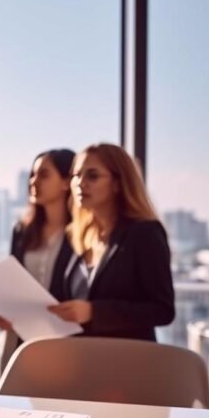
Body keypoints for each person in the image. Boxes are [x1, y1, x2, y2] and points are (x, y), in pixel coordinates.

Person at [47, 143, 174, 341]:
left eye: (92, 175)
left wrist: (94, 312)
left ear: (117, 183)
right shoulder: (81, 235)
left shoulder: (144, 233)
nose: (80, 183)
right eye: (76, 176)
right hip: (83, 359)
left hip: (124, 362)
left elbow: (162, 310)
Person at [0, 148, 77, 372]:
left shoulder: (80, 234)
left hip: (63, 344)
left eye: (44, 174)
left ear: (65, 182)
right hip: (20, 339)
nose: (33, 181)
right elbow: (13, 283)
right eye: (32, 174)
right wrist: (4, 311)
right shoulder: (22, 231)